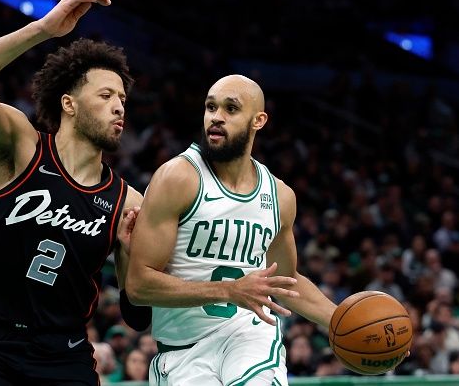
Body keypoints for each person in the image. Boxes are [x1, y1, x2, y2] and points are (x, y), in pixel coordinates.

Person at [0, 0, 143, 385]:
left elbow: (138, 316)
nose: (119, 106)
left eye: (122, 98)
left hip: (63, 356)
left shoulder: (128, 201)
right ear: (68, 104)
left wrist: (131, 258)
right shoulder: (20, 144)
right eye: (105, 95)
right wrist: (42, 30)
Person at [127, 74, 337, 385]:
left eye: (231, 109)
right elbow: (138, 285)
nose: (216, 117)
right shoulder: (178, 177)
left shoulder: (279, 196)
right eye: (211, 107)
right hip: (183, 351)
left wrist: (341, 321)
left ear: (258, 120)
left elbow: (284, 282)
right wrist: (229, 291)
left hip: (249, 338)